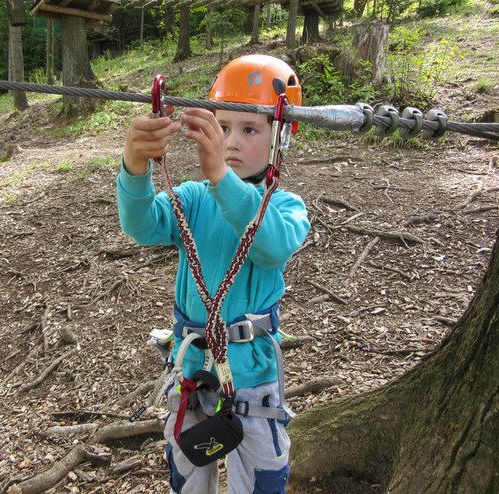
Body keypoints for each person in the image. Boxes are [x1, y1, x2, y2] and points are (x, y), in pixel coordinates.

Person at [116, 54, 310, 494]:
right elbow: (142, 225)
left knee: (263, 477)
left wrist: (221, 177)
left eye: (250, 129)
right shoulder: (193, 198)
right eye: (222, 127)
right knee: (186, 474)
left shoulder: (283, 206)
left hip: (253, 378)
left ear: (283, 135)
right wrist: (135, 165)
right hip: (191, 369)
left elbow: (271, 243)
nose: (233, 142)